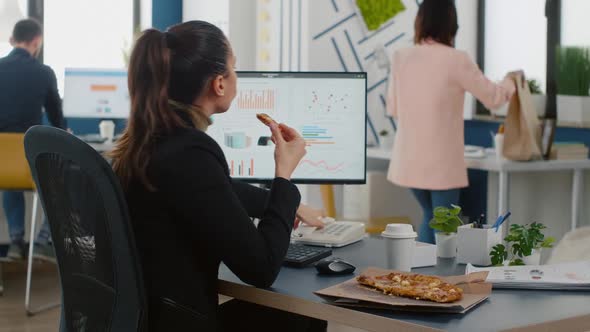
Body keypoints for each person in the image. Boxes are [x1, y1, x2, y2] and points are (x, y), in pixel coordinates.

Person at [110, 21, 327, 331]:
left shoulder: (151, 140)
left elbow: (216, 189)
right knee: (305, 314)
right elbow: (261, 268)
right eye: (234, 69)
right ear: (219, 84)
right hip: (180, 324)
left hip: (146, 320)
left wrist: (286, 204)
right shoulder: (191, 149)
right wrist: (284, 175)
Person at [386, 0, 516, 244]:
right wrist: (511, 80)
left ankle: (420, 279)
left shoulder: (401, 56)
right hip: (441, 163)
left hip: (408, 159)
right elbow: (495, 99)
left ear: (420, 21)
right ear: (452, 24)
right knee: (443, 226)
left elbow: (393, 108)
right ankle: (435, 280)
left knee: (431, 217)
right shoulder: (456, 59)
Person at [0, 18, 65, 261]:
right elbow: (57, 118)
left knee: (10, 173)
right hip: (29, 159)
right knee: (60, 177)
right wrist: (64, 132)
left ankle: (16, 242)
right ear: (36, 42)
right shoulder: (44, 72)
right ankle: (42, 240)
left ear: (11, 40)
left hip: (2, 164)